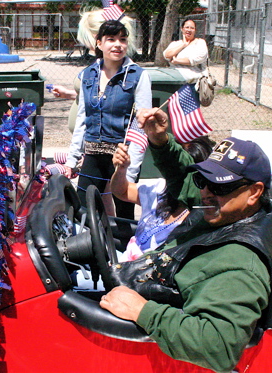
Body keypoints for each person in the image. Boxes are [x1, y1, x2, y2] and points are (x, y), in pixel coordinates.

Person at [100, 107, 272, 372]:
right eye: (204, 180)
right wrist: (160, 140)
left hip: (142, 333)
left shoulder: (240, 263)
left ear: (255, 192)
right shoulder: (231, 211)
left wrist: (143, 312)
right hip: (144, 281)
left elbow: (219, 346)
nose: (205, 192)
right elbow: (183, 177)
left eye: (220, 186)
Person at [64, 19, 152, 220]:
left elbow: (142, 125)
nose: (118, 45)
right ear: (99, 43)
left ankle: (125, 251)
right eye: (111, 39)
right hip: (93, 154)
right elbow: (82, 120)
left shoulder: (138, 76)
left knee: (123, 216)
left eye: (122, 39)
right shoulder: (88, 74)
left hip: (122, 158)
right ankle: (90, 251)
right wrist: (72, 160)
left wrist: (130, 170)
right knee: (83, 212)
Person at [111, 136, 214, 261]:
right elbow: (122, 191)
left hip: (147, 274)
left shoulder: (203, 214)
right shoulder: (158, 189)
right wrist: (121, 170)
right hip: (124, 264)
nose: (178, 177)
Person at [163, 19, 208, 84]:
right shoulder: (175, 43)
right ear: (182, 29)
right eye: (187, 27)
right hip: (175, 79)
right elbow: (166, 55)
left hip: (193, 81)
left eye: (192, 28)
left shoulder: (200, 42)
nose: (189, 30)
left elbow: (198, 58)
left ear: (195, 30)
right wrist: (183, 45)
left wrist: (177, 61)